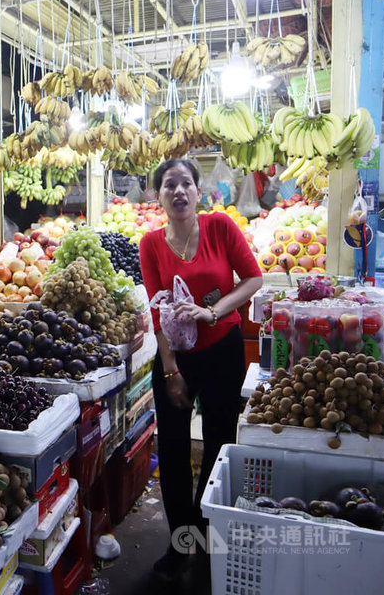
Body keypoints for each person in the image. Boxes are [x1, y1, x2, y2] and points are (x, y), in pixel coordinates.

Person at [139, 159, 263, 581]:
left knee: (218, 442)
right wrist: (171, 371)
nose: (178, 191)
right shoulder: (151, 244)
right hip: (176, 356)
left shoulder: (220, 227)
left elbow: (252, 279)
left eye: (186, 184)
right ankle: (180, 542)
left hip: (222, 348)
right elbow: (158, 312)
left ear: (197, 191)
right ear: (157, 196)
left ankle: (205, 532)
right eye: (169, 185)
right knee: (172, 450)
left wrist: (212, 312)